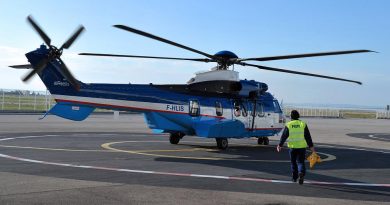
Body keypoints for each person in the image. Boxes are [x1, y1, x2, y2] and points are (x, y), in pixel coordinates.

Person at [277, 110, 315, 185]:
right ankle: (301, 173)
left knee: (293, 163)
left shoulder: (289, 124)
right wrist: (311, 146)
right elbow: (308, 136)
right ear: (298, 116)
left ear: (291, 117)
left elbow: (284, 136)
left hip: (292, 147)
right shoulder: (303, 124)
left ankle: (294, 178)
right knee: (301, 162)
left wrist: (280, 145)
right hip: (301, 147)